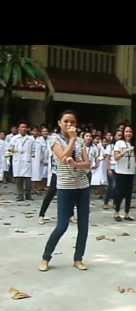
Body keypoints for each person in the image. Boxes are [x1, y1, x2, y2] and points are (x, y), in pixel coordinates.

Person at [38, 110, 91, 272]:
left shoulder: (81, 141)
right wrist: (72, 140)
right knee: (62, 225)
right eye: (66, 121)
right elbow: (62, 157)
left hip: (83, 187)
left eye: (73, 122)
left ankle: (78, 259)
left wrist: (75, 164)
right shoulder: (54, 139)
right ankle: (46, 257)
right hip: (65, 187)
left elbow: (88, 164)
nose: (69, 125)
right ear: (60, 123)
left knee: (84, 226)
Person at [113, 126, 136, 221]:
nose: (128, 133)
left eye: (130, 131)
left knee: (129, 194)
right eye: (126, 131)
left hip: (130, 173)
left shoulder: (135, 145)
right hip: (120, 172)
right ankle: (116, 212)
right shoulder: (119, 143)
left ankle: (127, 213)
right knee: (119, 193)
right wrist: (125, 151)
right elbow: (116, 157)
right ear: (123, 133)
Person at [8, 121, 34, 201]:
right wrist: (14, 152)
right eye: (21, 127)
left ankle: (28, 195)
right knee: (18, 179)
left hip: (27, 161)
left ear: (27, 129)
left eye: (24, 127)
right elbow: (9, 149)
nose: (23, 128)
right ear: (18, 128)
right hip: (18, 160)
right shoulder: (14, 138)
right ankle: (20, 195)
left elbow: (34, 149)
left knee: (28, 180)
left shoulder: (30, 138)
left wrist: (32, 157)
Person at [103, 130, 121, 209]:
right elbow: (107, 158)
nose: (119, 137)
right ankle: (106, 202)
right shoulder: (110, 146)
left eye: (121, 135)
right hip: (112, 168)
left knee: (118, 187)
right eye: (118, 135)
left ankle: (115, 203)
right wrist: (109, 168)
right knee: (112, 186)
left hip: (120, 169)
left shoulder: (123, 146)